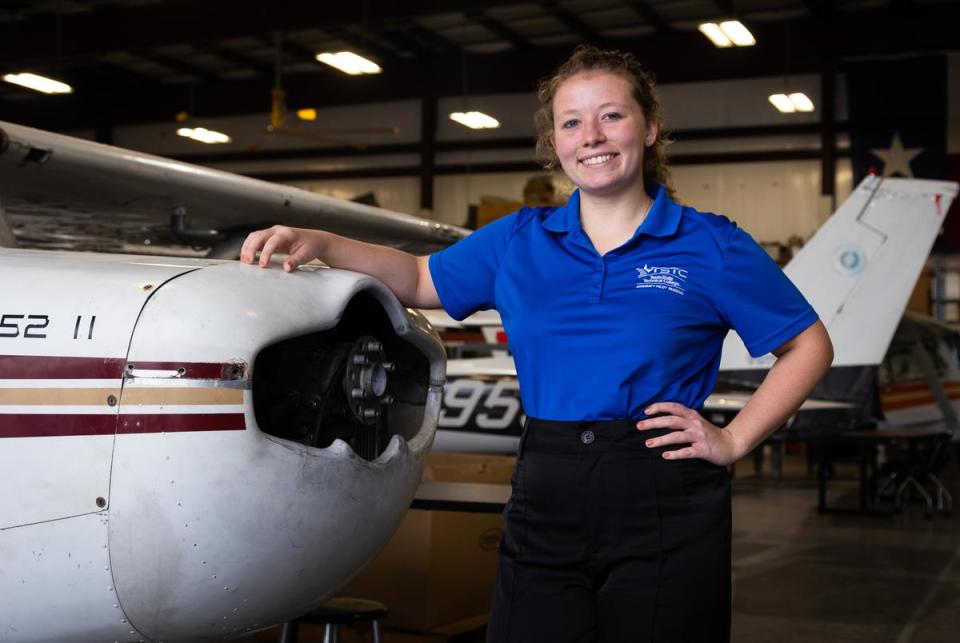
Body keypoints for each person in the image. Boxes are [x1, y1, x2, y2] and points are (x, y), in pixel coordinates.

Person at [241, 45, 833, 643]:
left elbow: (808, 345)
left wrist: (733, 438)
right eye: (572, 122)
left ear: (650, 128)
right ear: (555, 142)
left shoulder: (711, 245)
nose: (591, 136)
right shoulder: (519, 240)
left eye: (612, 116)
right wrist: (321, 241)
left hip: (664, 493)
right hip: (547, 486)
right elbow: (421, 279)